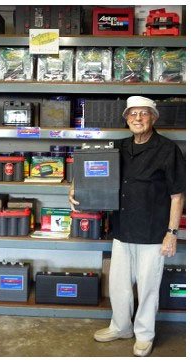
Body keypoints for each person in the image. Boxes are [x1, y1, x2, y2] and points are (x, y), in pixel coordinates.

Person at [69, 96, 185, 357]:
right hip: (122, 228)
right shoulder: (118, 147)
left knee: (148, 287)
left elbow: (177, 196)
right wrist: (75, 187)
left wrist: (171, 233)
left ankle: (144, 334)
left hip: (154, 232)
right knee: (118, 284)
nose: (138, 118)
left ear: (153, 118)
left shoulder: (168, 150)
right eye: (132, 114)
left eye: (144, 113)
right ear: (126, 119)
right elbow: (90, 168)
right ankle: (121, 327)